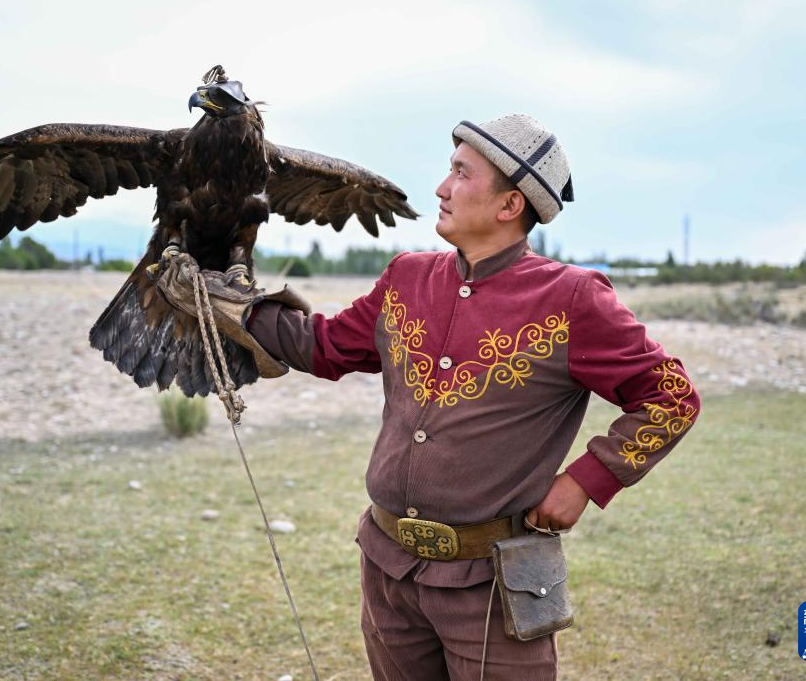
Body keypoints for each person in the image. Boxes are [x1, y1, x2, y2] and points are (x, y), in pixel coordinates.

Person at [232, 115, 701, 679]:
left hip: (493, 584)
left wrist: (584, 482)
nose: (441, 187)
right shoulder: (407, 277)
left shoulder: (573, 299)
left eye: (460, 172)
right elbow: (328, 347)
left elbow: (671, 397)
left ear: (509, 205)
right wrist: (241, 309)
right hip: (386, 569)